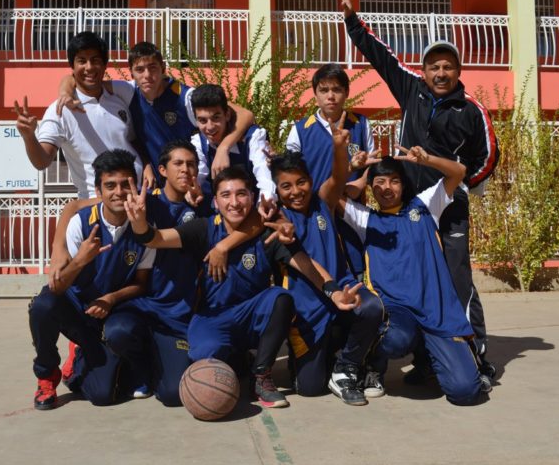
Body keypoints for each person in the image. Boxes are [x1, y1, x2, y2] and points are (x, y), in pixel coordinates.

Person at [340, 0, 499, 376]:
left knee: (457, 281)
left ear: (458, 72)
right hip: (410, 206)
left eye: (448, 67)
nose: (440, 72)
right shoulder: (411, 88)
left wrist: (461, 185)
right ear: (425, 71)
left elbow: (489, 158)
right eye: (434, 66)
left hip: (448, 208)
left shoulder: (471, 111)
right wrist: (351, 20)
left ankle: (476, 356)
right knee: (410, 282)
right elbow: (381, 56)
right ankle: (423, 356)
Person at [124, 165, 364, 409]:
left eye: (241, 194)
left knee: (280, 298)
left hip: (252, 316)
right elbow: (156, 239)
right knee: (204, 368)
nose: (235, 202)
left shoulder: (267, 234)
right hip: (213, 319)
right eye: (226, 195)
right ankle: (237, 359)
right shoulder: (203, 229)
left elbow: (306, 264)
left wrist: (333, 292)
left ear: (252, 198)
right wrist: (139, 223)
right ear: (215, 202)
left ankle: (261, 377)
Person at [338, 146, 488, 405]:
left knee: (466, 393)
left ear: (403, 184)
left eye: (394, 181)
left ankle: (430, 359)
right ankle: (373, 365)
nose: (387, 188)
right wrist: (354, 171)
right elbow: (327, 194)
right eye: (380, 182)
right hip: (398, 313)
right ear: (371, 188)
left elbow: (459, 172)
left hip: (436, 312)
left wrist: (427, 160)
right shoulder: (365, 219)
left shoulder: (426, 205)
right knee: (397, 340)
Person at [28, 149, 155, 410]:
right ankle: (46, 375)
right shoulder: (81, 223)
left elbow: (142, 283)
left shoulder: (143, 226)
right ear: (98, 191)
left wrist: (111, 298)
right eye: (110, 185)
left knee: (101, 395)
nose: (119, 192)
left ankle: (99, 358)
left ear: (136, 186)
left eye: (125, 184)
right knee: (43, 305)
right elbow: (59, 286)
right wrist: (80, 260)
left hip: (117, 313)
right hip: (80, 312)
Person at [270, 123, 383, 406]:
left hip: (342, 287)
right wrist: (284, 235)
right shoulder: (277, 220)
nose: (296, 191)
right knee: (310, 388)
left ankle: (347, 365)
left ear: (310, 180)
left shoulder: (323, 201)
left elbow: (338, 175)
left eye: (301, 182)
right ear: (276, 189)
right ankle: (315, 356)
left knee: (371, 308)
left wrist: (337, 147)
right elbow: (300, 259)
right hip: (307, 308)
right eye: (286, 186)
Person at [100, 140, 212, 406]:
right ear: (162, 170)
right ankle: (136, 367)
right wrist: (59, 245)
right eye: (178, 164)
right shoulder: (142, 203)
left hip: (176, 315)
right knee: (117, 333)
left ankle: (156, 364)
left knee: (174, 395)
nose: (186, 170)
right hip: (139, 305)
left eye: (192, 165)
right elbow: (85, 204)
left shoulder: (202, 211)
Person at [58, 41, 255, 183]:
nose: (147, 75)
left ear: (163, 68)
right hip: (156, 185)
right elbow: (80, 78)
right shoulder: (128, 91)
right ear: (132, 73)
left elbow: (245, 114)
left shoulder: (184, 97)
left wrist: (223, 149)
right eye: (140, 69)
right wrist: (64, 92)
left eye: (152, 68)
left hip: (194, 180)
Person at [14, 31, 145, 199]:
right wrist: (29, 136)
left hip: (138, 196)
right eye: (82, 61)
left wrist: (146, 165)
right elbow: (42, 161)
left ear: (105, 65)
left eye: (95, 60)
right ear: (73, 67)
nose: (89, 67)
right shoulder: (59, 111)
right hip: (96, 202)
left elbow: (133, 141)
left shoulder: (120, 95)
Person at [286, 63, 374, 279]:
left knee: (355, 274)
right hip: (315, 215)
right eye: (324, 90)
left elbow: (374, 165)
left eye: (336, 90)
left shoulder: (361, 124)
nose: (331, 96)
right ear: (315, 95)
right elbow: (290, 176)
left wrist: (360, 183)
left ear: (346, 93)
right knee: (321, 273)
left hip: (351, 213)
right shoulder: (300, 130)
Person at [190, 83, 276, 205]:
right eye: (202, 120)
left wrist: (265, 203)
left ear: (227, 115)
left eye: (216, 118)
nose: (209, 127)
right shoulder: (198, 142)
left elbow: (265, 178)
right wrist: (190, 191)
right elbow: (197, 176)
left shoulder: (253, 137)